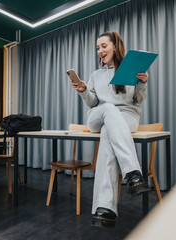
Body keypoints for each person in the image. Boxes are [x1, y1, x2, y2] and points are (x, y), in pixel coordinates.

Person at [70, 31, 150, 229]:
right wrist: (83, 91)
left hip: (127, 117)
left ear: (115, 46)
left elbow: (138, 100)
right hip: (98, 115)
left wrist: (143, 83)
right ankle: (133, 172)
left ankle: (105, 210)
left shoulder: (130, 70)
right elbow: (93, 103)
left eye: (104, 46)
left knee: (108, 132)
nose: (100, 51)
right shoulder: (95, 75)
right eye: (98, 48)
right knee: (107, 108)